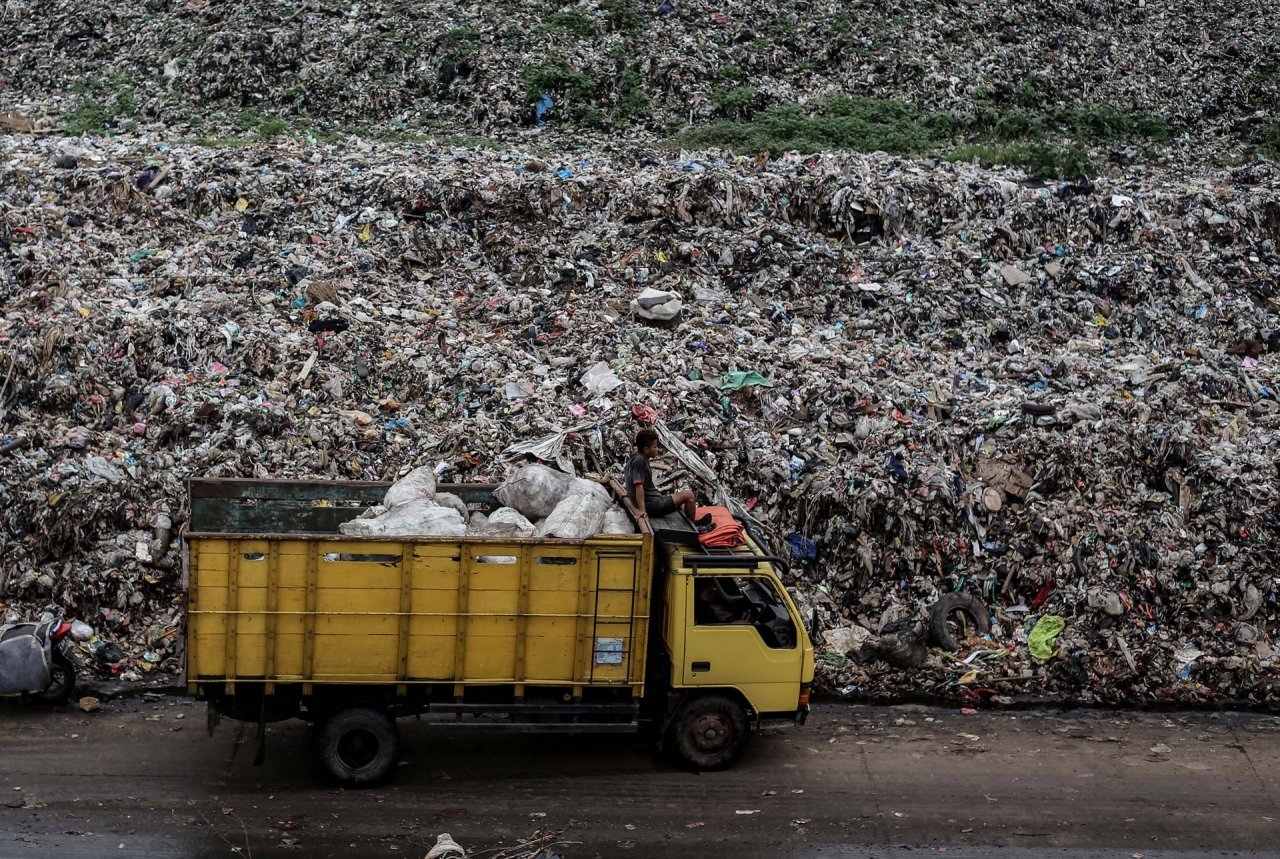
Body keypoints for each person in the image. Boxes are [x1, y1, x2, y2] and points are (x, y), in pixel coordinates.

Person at [624, 429, 696, 523]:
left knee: (680, 502)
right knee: (689, 495)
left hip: (653, 500)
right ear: (646, 449)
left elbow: (630, 480)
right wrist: (642, 510)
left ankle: (691, 522)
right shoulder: (640, 461)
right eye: (655, 447)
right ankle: (695, 528)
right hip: (652, 505)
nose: (657, 449)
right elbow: (638, 485)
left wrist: (629, 493)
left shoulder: (635, 457)